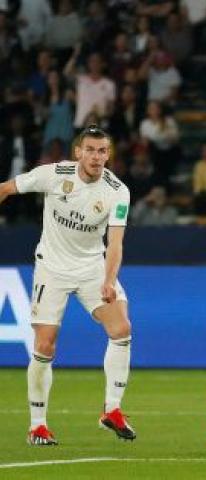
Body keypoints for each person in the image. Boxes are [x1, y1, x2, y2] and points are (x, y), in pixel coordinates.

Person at [0, 125, 136, 445]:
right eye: (90, 150)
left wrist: (109, 280)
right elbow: (6, 188)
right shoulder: (53, 174)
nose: (96, 157)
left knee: (121, 329)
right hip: (52, 269)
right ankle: (37, 426)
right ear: (78, 153)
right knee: (45, 345)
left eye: (102, 151)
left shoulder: (118, 191)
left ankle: (112, 410)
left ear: (108, 155)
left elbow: (115, 243)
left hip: (93, 268)